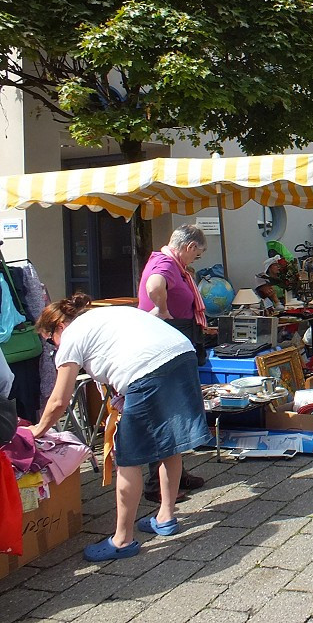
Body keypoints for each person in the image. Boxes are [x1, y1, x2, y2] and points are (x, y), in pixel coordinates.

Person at [32, 296, 211, 561]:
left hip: (148, 368)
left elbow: (59, 400)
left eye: (49, 341)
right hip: (181, 353)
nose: (52, 347)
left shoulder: (70, 338)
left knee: (128, 459)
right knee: (169, 443)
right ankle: (165, 517)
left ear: (59, 326)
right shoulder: (105, 316)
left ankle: (122, 540)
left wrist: (37, 430)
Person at [135, 224, 208, 503]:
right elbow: (154, 285)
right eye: (197, 255)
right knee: (167, 411)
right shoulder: (165, 263)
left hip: (177, 342)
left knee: (178, 410)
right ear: (189, 248)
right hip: (165, 348)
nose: (194, 261)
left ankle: (176, 473)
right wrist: (162, 309)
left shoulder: (170, 263)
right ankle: (157, 485)